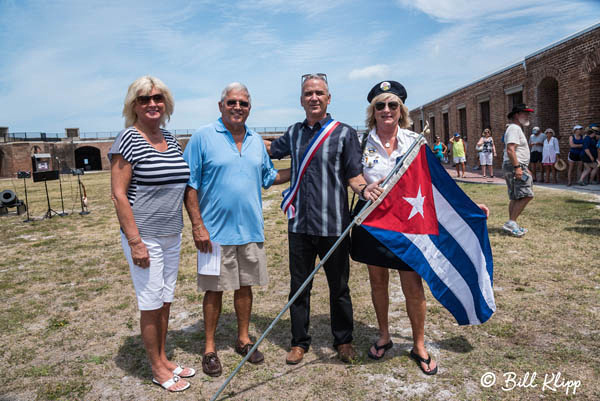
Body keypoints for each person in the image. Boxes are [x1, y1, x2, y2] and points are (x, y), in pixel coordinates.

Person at [350, 80, 489, 375]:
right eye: (380, 105)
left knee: (412, 285)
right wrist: (364, 189)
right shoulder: (360, 143)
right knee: (378, 282)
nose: (386, 110)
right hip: (374, 223)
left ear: (401, 110)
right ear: (372, 111)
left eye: (392, 105)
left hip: (409, 226)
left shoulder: (416, 142)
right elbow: (353, 177)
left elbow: (438, 183)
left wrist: (469, 208)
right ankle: (385, 335)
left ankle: (419, 344)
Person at [265, 73, 382, 365]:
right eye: (308, 94)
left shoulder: (343, 133)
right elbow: (269, 148)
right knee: (299, 287)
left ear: (328, 99)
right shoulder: (293, 133)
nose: (313, 98)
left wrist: (364, 188)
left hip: (334, 227)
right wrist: (237, 132)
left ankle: (343, 340)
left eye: (319, 93)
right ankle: (299, 342)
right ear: (301, 100)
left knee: (339, 288)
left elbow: (354, 176)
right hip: (300, 225)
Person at [183, 83, 290, 377]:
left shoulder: (256, 140)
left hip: (251, 231)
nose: (237, 107)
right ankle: (209, 348)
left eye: (243, 103)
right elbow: (190, 185)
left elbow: (269, 177)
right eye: (232, 102)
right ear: (221, 106)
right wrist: (197, 225)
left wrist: (305, 166)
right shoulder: (202, 138)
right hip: (214, 235)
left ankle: (243, 339)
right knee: (213, 290)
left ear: (249, 108)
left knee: (245, 288)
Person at [109, 76, 193, 392]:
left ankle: (163, 356)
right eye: (144, 99)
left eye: (157, 98)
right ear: (134, 106)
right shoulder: (128, 139)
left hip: (172, 234)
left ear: (166, 102)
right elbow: (118, 194)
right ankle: (157, 369)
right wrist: (135, 241)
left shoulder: (170, 138)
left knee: (165, 299)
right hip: (145, 237)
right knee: (150, 302)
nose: (152, 104)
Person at [502, 103, 535, 237]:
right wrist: (518, 168)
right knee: (527, 194)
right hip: (515, 165)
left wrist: (524, 167)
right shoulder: (514, 128)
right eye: (525, 113)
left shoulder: (515, 128)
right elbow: (511, 149)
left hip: (516, 165)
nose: (528, 115)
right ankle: (511, 222)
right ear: (517, 115)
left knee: (516, 196)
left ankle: (512, 224)